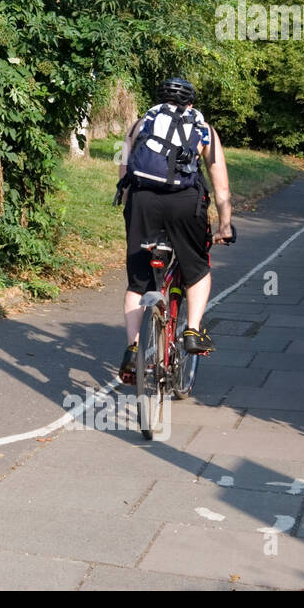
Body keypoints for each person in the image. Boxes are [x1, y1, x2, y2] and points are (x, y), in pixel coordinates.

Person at [115, 77, 234, 383]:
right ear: (191, 104)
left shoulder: (141, 124)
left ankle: (132, 350)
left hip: (143, 202)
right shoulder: (204, 130)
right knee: (197, 269)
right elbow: (220, 187)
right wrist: (225, 224)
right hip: (185, 204)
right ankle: (192, 331)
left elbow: (125, 172)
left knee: (137, 281)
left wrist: (132, 210)